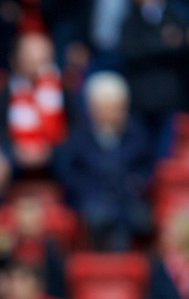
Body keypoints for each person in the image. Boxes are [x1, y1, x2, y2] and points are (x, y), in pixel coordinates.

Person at [58, 71, 155, 252]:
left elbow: (147, 168)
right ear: (93, 108)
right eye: (107, 107)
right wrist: (87, 189)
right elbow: (69, 172)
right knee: (98, 217)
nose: (113, 113)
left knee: (142, 221)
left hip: (127, 198)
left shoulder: (137, 135)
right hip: (92, 198)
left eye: (118, 107)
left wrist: (137, 182)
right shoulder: (78, 137)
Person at [118, 0, 189, 158]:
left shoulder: (174, 15)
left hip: (169, 99)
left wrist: (158, 44)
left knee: (166, 157)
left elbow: (182, 46)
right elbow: (132, 51)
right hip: (141, 100)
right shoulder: (129, 21)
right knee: (141, 154)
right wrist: (163, 43)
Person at [0, 31, 67, 181]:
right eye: (30, 58)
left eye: (41, 59)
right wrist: (16, 150)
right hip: (16, 154)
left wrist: (51, 150)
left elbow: (73, 126)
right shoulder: (7, 90)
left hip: (54, 153)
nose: (35, 63)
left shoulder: (60, 87)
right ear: (17, 59)